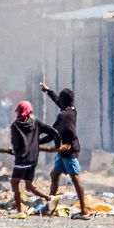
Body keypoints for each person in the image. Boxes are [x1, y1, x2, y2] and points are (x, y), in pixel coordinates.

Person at [41, 84, 89, 219]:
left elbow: (53, 133)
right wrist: (49, 91)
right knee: (54, 175)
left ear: (64, 101)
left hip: (69, 150)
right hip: (64, 151)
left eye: (61, 99)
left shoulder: (64, 116)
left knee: (75, 178)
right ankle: (49, 206)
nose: (59, 101)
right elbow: (58, 101)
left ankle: (84, 211)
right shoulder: (71, 110)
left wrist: (37, 141)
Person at [10, 100, 62, 218]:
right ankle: (50, 198)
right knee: (28, 185)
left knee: (14, 183)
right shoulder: (35, 122)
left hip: (21, 160)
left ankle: (19, 211)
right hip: (33, 159)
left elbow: (16, 144)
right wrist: (57, 146)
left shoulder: (15, 125)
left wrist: (15, 152)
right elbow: (54, 133)